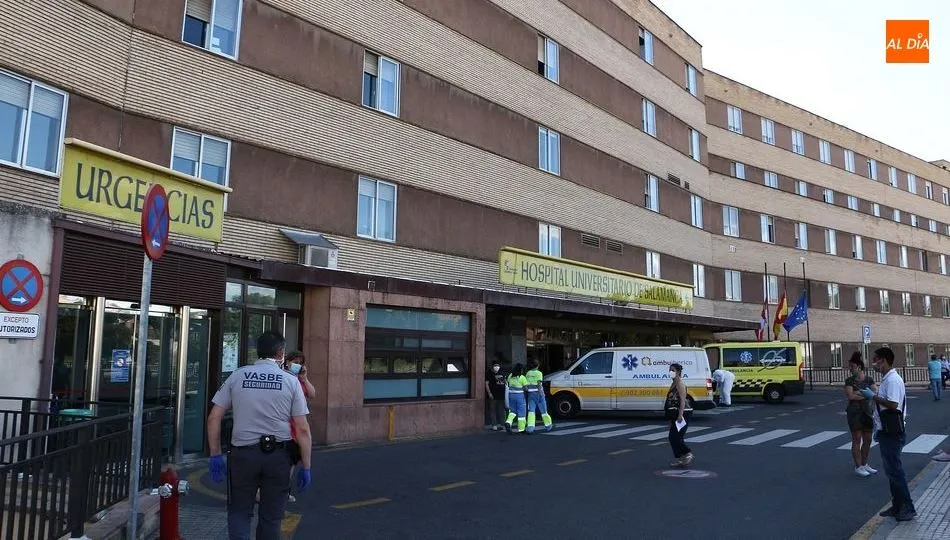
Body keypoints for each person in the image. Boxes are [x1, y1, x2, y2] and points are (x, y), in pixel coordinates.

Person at [206, 331, 313, 540]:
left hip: (243, 456)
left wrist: (215, 454)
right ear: (281, 353)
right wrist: (306, 466)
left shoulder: (238, 375)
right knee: (271, 517)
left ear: (258, 351)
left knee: (239, 512)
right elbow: (302, 429)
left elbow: (214, 417)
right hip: (278, 458)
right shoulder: (290, 381)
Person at [858, 347, 915, 522]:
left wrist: (872, 396)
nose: (873, 363)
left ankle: (907, 507)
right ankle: (897, 505)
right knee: (891, 471)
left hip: (893, 433)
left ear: (883, 360)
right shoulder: (888, 379)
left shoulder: (892, 380)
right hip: (887, 431)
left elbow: (892, 404)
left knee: (895, 471)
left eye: (875, 359)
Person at [284, 351, 315, 502]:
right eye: (294, 361)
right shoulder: (284, 377)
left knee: (292, 460)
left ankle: (285, 489)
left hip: (297, 423)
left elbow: (312, 393)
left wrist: (305, 378)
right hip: (285, 423)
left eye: (300, 362)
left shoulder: (300, 380)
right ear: (287, 362)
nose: (297, 364)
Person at [843, 352, 877, 477]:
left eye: (852, 367)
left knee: (868, 439)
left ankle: (864, 464)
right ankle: (858, 466)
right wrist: (866, 395)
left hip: (867, 411)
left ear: (859, 367)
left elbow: (874, 392)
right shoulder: (849, 381)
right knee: (857, 438)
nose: (850, 369)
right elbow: (851, 396)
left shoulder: (869, 379)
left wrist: (860, 394)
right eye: (850, 367)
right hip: (854, 412)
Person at [665, 363, 694, 467]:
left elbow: (682, 400)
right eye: (670, 370)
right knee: (675, 436)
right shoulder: (674, 382)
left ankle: (687, 453)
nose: (670, 372)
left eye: (673, 370)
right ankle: (681, 458)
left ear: (678, 372)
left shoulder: (680, 383)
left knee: (675, 437)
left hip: (683, 413)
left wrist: (680, 415)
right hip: (675, 413)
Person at [524, 360, 553, 433]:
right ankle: (548, 426)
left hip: (531, 394)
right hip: (538, 394)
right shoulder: (539, 373)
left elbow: (526, 385)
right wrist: (541, 394)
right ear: (538, 366)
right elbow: (539, 384)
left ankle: (530, 428)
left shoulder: (528, 373)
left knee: (531, 411)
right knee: (543, 411)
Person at [504, 363, 528, 434]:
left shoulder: (510, 375)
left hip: (511, 396)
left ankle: (508, 422)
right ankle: (521, 429)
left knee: (512, 411)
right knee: (522, 413)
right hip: (520, 397)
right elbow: (526, 388)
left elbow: (507, 383)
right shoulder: (522, 377)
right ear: (521, 370)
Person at [484, 358, 507, 431]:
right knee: (493, 410)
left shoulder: (502, 372)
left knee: (501, 410)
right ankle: (494, 425)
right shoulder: (489, 373)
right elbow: (486, 384)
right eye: (495, 365)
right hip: (493, 394)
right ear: (492, 366)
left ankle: (502, 424)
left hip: (501, 394)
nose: (497, 367)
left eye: (498, 365)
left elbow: (505, 382)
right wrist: (489, 393)